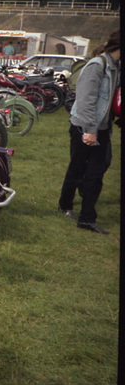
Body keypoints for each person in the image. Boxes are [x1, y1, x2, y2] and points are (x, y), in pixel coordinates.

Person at [58, 30, 120, 234]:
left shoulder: (115, 67)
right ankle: (66, 206)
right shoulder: (97, 66)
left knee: (95, 172)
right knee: (77, 169)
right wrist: (90, 131)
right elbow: (85, 101)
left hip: (101, 127)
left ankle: (86, 218)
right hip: (83, 126)